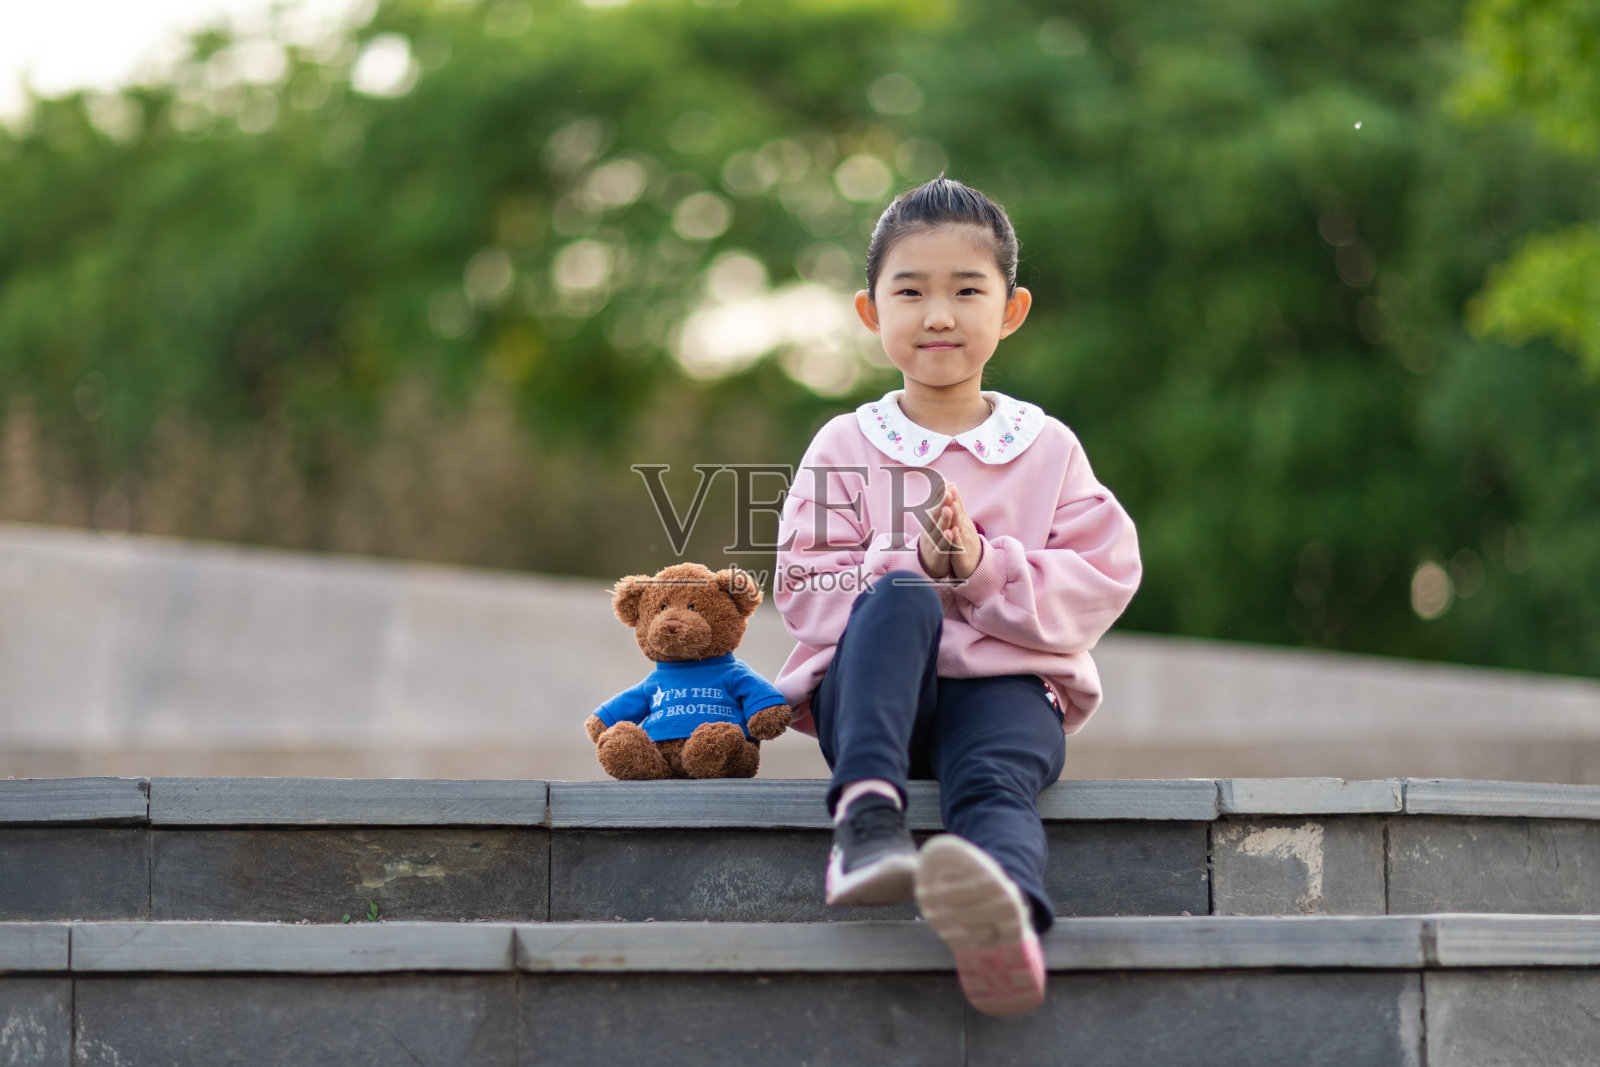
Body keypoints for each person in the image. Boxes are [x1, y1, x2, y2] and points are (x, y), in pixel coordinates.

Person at [773, 176, 1142, 1017]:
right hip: (874, 699)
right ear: (871, 314)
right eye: (910, 291)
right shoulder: (845, 444)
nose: (938, 314)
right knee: (899, 589)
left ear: (1010, 311)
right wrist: (908, 562)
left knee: (996, 782)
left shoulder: (1045, 446)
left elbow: (1102, 574)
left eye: (967, 290)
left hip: (1003, 689)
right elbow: (802, 583)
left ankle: (1004, 913)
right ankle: (867, 827)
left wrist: (980, 566)